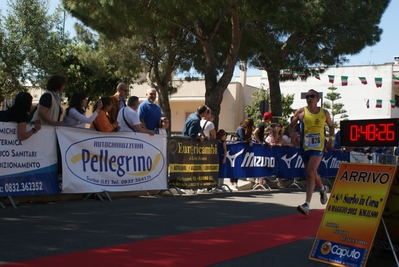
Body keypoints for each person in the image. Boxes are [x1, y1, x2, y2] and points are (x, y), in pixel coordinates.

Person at [289, 89, 334, 216]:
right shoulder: (301, 112)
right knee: (312, 173)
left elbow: (331, 126)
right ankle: (322, 188)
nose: (309, 98)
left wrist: (331, 140)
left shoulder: (324, 113)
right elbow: (291, 126)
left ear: (317, 99)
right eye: (307, 96)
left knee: (309, 172)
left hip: (318, 146)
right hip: (305, 147)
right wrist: (293, 134)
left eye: (312, 96)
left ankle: (307, 205)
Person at [231, 118, 254, 188]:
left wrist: (249, 140)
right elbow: (242, 139)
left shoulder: (245, 130)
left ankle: (235, 182)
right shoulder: (241, 129)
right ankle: (234, 182)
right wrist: (248, 141)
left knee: (238, 166)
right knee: (235, 166)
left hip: (242, 150)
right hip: (237, 150)